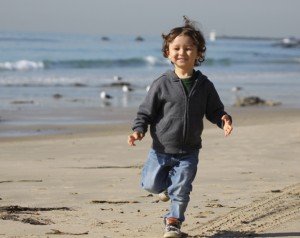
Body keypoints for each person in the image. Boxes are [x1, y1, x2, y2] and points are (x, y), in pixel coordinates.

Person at [127, 16, 233, 238]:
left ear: (198, 53)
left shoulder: (205, 86)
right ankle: (165, 189)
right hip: (161, 149)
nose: (182, 53)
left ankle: (173, 222)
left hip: (189, 151)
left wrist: (223, 118)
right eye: (176, 48)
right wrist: (139, 130)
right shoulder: (161, 83)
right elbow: (145, 111)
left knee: (182, 189)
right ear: (167, 52)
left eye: (188, 48)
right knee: (150, 185)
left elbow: (214, 110)